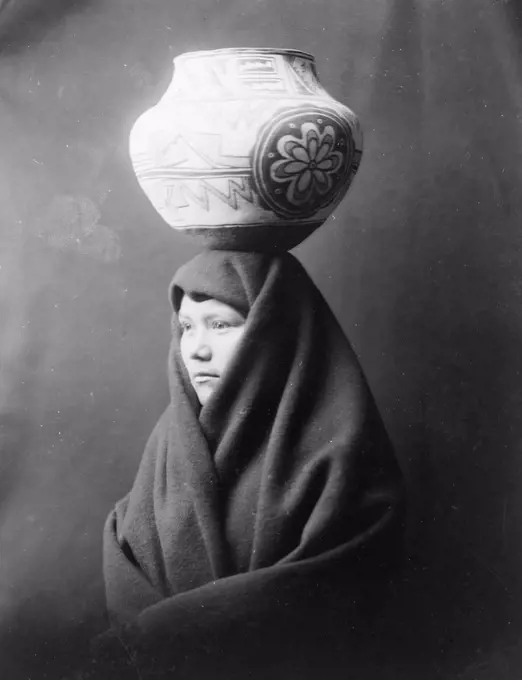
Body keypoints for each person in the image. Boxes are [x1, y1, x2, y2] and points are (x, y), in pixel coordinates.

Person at [89, 249, 405, 680]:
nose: (197, 350)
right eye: (186, 327)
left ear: (273, 330)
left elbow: (327, 604)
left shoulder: (339, 453)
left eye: (221, 325)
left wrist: (158, 637)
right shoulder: (168, 446)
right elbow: (127, 565)